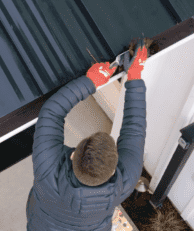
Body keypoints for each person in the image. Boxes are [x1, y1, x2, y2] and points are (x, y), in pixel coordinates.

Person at [26, 45, 148, 230]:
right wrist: (134, 78)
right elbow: (134, 131)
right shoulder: (124, 184)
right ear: (114, 170)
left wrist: (90, 82)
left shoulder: (47, 167)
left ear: (74, 155)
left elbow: (51, 112)